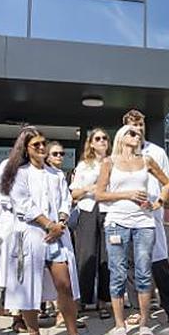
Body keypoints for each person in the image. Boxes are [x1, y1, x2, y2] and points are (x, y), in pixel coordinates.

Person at [0, 126, 90, 335]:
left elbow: (66, 200)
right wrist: (49, 224)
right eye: (35, 145)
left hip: (57, 236)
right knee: (28, 285)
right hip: (30, 234)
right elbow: (22, 204)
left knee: (64, 284)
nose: (41, 148)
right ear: (25, 149)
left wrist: (61, 222)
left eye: (42, 143)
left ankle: (72, 332)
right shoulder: (19, 173)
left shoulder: (56, 174)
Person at [96, 126, 169, 335]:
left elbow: (167, 183)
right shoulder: (109, 163)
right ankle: (119, 325)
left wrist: (158, 203)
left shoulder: (146, 160)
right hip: (117, 221)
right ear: (121, 135)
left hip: (144, 222)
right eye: (131, 132)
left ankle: (144, 324)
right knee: (118, 272)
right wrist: (127, 194)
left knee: (143, 272)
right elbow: (100, 194)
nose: (136, 135)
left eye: (139, 133)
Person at [122, 109, 169, 327]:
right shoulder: (118, 155)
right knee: (133, 264)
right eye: (134, 126)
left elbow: (167, 183)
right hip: (128, 215)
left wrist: (163, 201)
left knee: (160, 263)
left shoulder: (157, 152)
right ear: (126, 129)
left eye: (141, 125)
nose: (139, 130)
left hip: (153, 214)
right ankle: (136, 309)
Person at [70, 128, 112, 318]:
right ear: (91, 143)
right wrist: (90, 187)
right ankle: (81, 301)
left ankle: (104, 301)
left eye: (105, 138)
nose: (102, 141)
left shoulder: (115, 163)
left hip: (108, 211)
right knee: (86, 255)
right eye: (98, 138)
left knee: (106, 257)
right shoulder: (83, 166)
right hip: (88, 210)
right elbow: (74, 194)